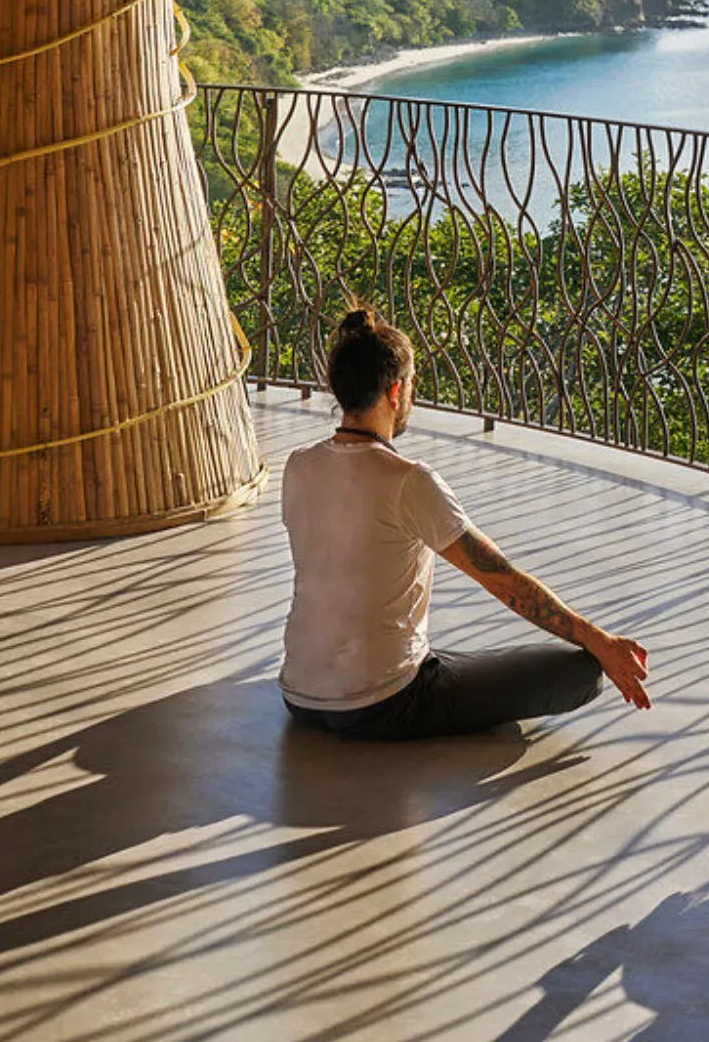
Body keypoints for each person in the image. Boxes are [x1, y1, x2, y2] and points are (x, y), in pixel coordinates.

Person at [278, 304, 652, 737]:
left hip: (300, 696)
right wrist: (598, 641)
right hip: (382, 703)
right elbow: (504, 581)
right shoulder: (409, 481)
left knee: (450, 660)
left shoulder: (298, 465)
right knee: (582, 673)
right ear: (395, 392)